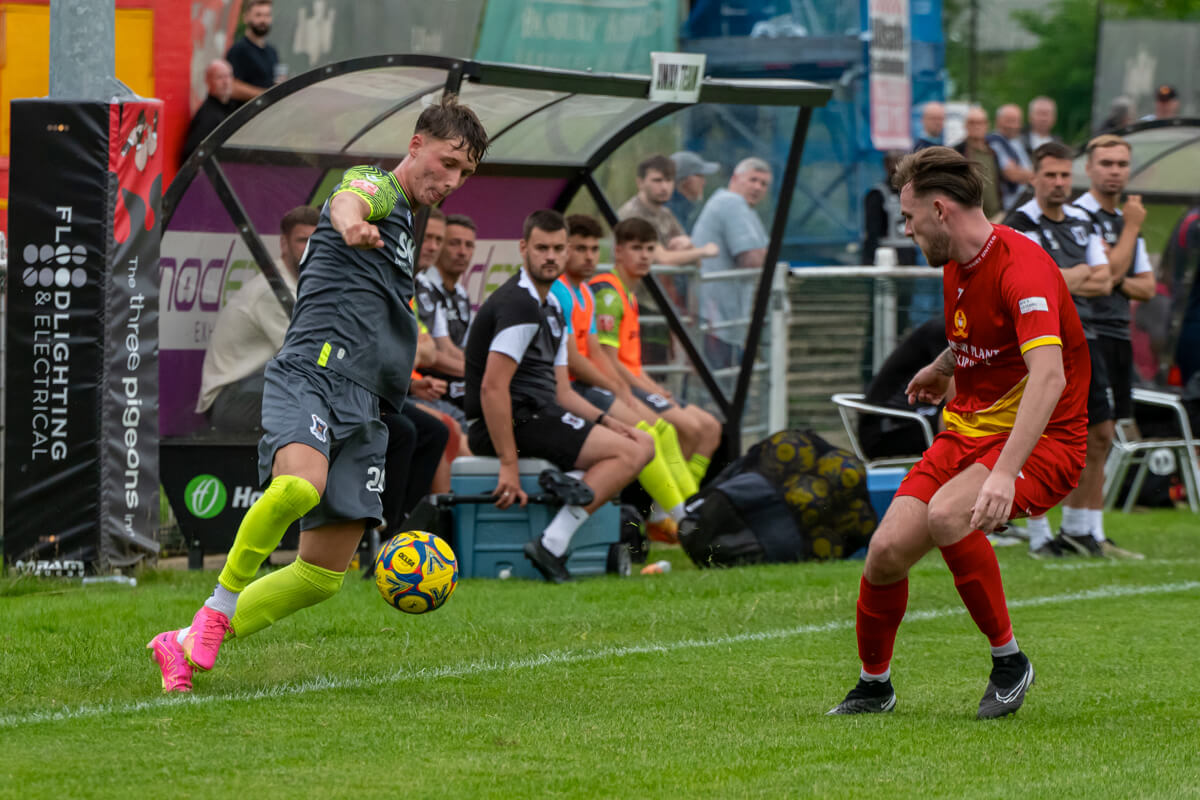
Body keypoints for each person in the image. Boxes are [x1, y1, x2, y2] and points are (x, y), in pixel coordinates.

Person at [147, 95, 488, 692]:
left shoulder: (407, 226)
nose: (452, 181)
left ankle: (177, 644)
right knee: (300, 484)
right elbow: (350, 197)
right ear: (416, 145)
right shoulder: (376, 188)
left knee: (321, 574)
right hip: (312, 374)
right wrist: (351, 220)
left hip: (367, 405)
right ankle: (217, 607)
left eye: (464, 173)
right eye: (448, 162)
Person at [827, 146, 1089, 719]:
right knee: (885, 553)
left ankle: (1010, 662)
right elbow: (985, 330)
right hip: (968, 432)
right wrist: (945, 365)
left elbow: (1048, 378)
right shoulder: (957, 261)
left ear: (940, 210)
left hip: (1045, 440)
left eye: (909, 216)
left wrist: (1002, 474)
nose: (906, 228)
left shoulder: (1024, 268)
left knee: (949, 515)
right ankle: (875, 686)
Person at [463, 209, 654, 583]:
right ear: (524, 249)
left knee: (640, 440)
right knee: (630, 451)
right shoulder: (519, 304)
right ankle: (551, 544)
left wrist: (610, 423)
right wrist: (508, 464)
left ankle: (570, 484)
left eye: (557, 248)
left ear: (565, 252)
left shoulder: (552, 306)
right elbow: (492, 386)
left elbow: (563, 391)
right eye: (541, 248)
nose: (550, 256)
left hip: (539, 414)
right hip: (511, 422)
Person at [552, 214, 699, 538]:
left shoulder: (586, 294)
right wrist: (620, 389)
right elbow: (579, 358)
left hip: (591, 385)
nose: (589, 256)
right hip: (569, 391)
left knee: (669, 430)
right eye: (580, 248)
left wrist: (623, 388)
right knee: (651, 432)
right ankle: (684, 520)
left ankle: (690, 511)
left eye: (593, 249)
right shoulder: (570, 292)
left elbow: (591, 350)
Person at [1003, 142, 1111, 558]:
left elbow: (1104, 280)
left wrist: (1067, 276)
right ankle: (1038, 534)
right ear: (1034, 178)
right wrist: (1076, 274)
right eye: (1050, 175)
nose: (1059, 183)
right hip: (1042, 341)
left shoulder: (1083, 220)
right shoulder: (1019, 223)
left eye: (1065, 175)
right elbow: (1032, 285)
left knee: (1100, 432)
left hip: (1088, 334)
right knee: (1039, 433)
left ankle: (1078, 529)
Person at [1063, 134, 1154, 559]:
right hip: (1088, 331)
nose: (1115, 170)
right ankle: (1070, 527)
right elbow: (1110, 276)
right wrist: (1131, 231)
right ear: (1090, 168)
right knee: (1090, 432)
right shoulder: (1080, 215)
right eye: (1106, 163)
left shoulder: (1124, 216)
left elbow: (1147, 287)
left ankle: (1093, 531)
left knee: (1105, 434)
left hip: (1118, 333)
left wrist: (1114, 278)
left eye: (1121, 163)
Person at [591, 218, 724, 490]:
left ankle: (682, 500)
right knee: (687, 429)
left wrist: (656, 390)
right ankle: (672, 508)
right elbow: (608, 361)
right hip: (612, 385)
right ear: (618, 251)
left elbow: (631, 362)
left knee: (711, 428)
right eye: (636, 248)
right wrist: (647, 389)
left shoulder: (628, 294)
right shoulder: (608, 293)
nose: (644, 256)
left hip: (631, 379)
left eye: (650, 249)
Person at [196, 205, 319, 432]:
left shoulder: (303, 286)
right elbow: (305, 359)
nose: (310, 248)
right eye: (302, 240)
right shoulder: (271, 292)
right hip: (230, 399)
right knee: (313, 403)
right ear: (283, 244)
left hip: (257, 387)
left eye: (316, 241)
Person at [691, 156, 772, 373]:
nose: (757, 187)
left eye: (763, 184)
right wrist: (768, 256)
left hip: (726, 319)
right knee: (723, 387)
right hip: (717, 319)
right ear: (736, 178)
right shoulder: (731, 202)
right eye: (753, 180)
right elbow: (752, 259)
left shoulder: (744, 210)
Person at [414, 213, 475, 422]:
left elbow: (448, 348)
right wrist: (479, 373)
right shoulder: (424, 285)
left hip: (426, 383)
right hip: (425, 383)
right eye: (455, 244)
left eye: (438, 240)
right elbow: (435, 354)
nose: (462, 252)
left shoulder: (459, 293)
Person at [858, 318, 947, 460]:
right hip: (886, 430)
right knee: (962, 418)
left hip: (915, 417)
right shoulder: (943, 330)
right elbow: (958, 401)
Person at [617, 155, 718, 267]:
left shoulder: (666, 214)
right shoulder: (632, 215)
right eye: (657, 181)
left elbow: (697, 262)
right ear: (640, 183)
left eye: (669, 180)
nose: (664, 187)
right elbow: (663, 259)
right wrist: (703, 251)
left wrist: (689, 245)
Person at [863, 151, 919, 267]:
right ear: (886, 164)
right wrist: (868, 264)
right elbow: (872, 234)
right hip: (886, 261)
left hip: (910, 260)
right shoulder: (877, 195)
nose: (897, 167)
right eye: (894, 161)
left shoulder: (914, 194)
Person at [953, 107, 1002, 220]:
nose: (976, 126)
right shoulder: (957, 152)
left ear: (987, 125)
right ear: (965, 125)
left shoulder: (992, 152)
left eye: (980, 122)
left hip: (996, 217)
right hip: (969, 218)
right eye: (972, 122)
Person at [226, 0, 279, 103]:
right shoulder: (238, 50)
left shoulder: (272, 52)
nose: (263, 20)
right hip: (248, 116)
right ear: (246, 18)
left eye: (267, 15)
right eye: (258, 15)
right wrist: (266, 94)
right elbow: (232, 86)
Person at [183, 59, 235, 160]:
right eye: (220, 77)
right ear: (208, 81)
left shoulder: (230, 107)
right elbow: (190, 154)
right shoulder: (208, 116)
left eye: (228, 76)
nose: (226, 82)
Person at [988, 104, 1034, 213]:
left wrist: (1026, 173)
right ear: (998, 121)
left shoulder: (1018, 142)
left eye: (1017, 121)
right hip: (1006, 206)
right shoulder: (994, 142)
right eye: (1009, 121)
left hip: (1023, 203)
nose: (1014, 125)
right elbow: (1012, 175)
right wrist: (1031, 174)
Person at [666, 151, 719, 230]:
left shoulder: (685, 209)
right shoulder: (669, 212)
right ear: (685, 180)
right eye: (700, 176)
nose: (704, 183)